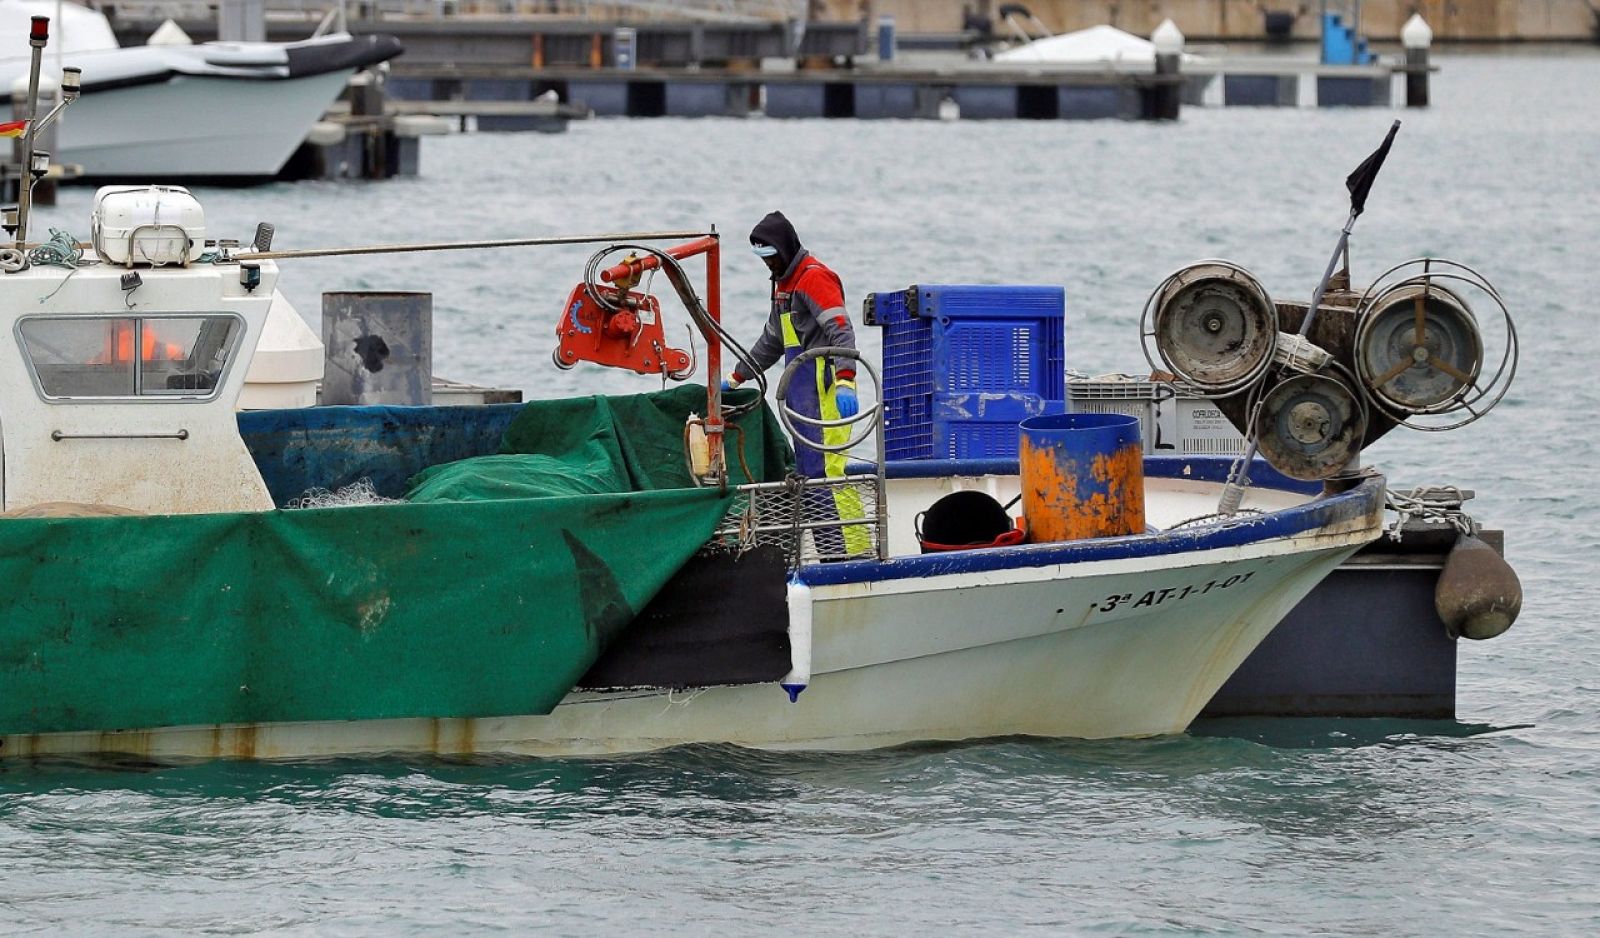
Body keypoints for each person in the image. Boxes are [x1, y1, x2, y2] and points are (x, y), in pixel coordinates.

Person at [724, 211, 868, 555]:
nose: (768, 264)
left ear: (784, 248)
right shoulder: (783, 289)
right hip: (801, 397)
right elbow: (771, 342)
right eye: (763, 258)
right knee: (810, 476)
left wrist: (846, 379)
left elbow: (840, 330)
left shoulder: (814, 279)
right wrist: (737, 375)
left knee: (831, 474)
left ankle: (852, 554)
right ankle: (829, 549)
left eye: (771, 255)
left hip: (827, 390)